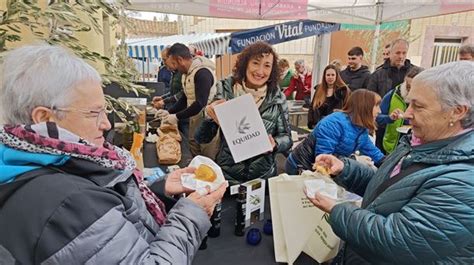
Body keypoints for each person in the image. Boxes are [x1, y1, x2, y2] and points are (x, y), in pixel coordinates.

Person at [0, 44, 227, 264]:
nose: (106, 124)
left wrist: (158, 189)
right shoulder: (67, 203)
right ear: (45, 119)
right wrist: (192, 213)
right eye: (93, 113)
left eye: (104, 111)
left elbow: (112, 217)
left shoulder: (30, 162)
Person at [308, 61, 474, 264]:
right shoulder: (421, 142)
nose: (406, 114)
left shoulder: (463, 180)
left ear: (457, 111)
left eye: (418, 106)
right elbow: (388, 188)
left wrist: (337, 210)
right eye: (409, 103)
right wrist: (346, 169)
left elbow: (398, 241)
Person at [195, 41, 292, 185]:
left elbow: (287, 138)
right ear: (245, 64)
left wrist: (275, 144)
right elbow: (202, 138)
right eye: (255, 63)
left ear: (272, 70)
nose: (260, 71)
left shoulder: (278, 98)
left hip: (263, 177)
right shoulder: (226, 91)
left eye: (267, 66)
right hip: (228, 176)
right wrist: (210, 117)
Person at [287, 89, 384, 175]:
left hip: (317, 170)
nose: (379, 111)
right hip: (301, 166)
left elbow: (374, 153)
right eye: (376, 106)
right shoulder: (333, 124)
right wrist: (355, 160)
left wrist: (391, 165)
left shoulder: (360, 128)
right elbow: (323, 159)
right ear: (364, 106)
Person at [157, 43, 217, 156]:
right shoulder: (187, 74)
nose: (174, 68)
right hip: (194, 119)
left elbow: (200, 103)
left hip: (207, 122)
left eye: (174, 64)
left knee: (206, 155)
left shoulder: (202, 73)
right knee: (194, 150)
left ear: (180, 60)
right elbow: (185, 98)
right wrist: (169, 112)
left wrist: (176, 117)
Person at [376, 66, 424, 153]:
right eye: (408, 86)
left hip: (416, 149)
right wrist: (390, 118)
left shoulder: (429, 102)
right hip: (390, 147)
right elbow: (377, 117)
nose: (410, 90)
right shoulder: (393, 95)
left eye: (413, 87)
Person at [152, 48, 188, 135]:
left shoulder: (182, 72)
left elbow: (182, 94)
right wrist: (162, 97)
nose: (164, 63)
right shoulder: (173, 72)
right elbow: (173, 92)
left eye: (165, 59)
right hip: (175, 110)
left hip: (184, 113)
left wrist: (164, 101)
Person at [307, 64, 350, 129]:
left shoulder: (343, 91)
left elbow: (347, 109)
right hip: (319, 126)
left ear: (336, 76)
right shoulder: (319, 89)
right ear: (324, 76)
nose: (330, 77)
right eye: (328, 75)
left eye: (333, 75)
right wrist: (311, 123)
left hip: (335, 127)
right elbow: (312, 107)